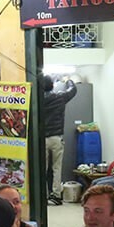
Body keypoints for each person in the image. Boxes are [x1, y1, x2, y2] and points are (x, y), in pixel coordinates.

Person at [42, 76, 78, 205]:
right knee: (57, 168)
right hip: (56, 138)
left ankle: (43, 196)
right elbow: (73, 90)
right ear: (52, 85)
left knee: (43, 169)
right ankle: (56, 195)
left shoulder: (38, 99)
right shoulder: (60, 97)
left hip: (42, 139)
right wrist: (68, 79)